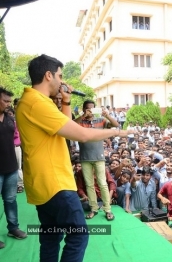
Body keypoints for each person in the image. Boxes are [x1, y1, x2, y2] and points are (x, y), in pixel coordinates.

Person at [16, 54, 134, 262]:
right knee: (78, 235)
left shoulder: (33, 101)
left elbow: (64, 124)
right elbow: (82, 134)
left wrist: (67, 101)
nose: (62, 81)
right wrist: (116, 132)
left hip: (43, 182)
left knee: (51, 237)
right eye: (60, 76)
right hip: (55, 184)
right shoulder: (37, 103)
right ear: (48, 75)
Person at [74, 100, 120, 221]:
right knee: (89, 184)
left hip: (99, 157)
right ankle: (93, 208)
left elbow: (116, 125)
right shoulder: (80, 122)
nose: (90, 111)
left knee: (102, 183)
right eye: (88, 109)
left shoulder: (101, 121)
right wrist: (83, 116)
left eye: (92, 109)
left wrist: (107, 115)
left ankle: (107, 209)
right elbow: (71, 124)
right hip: (85, 158)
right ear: (84, 109)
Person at [0, 87, 27, 249]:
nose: (9, 104)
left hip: (10, 167)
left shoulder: (10, 119)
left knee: (10, 200)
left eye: (10, 101)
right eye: (5, 101)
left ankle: (13, 228)